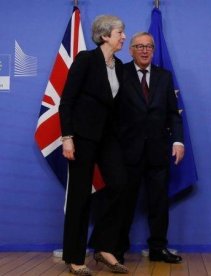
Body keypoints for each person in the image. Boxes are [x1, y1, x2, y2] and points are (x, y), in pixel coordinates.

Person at [59, 15, 129, 275]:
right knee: (79, 196)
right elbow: (66, 101)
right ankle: (74, 257)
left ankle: (103, 246)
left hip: (108, 137)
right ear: (105, 35)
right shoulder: (86, 60)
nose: (123, 36)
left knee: (121, 184)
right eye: (120, 32)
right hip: (82, 137)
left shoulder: (119, 66)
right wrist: (67, 137)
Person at [116, 32, 184, 264]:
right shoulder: (119, 73)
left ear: (153, 50)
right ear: (130, 50)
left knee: (158, 204)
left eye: (149, 47)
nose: (145, 50)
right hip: (127, 152)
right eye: (139, 46)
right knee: (124, 204)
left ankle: (158, 248)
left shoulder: (164, 77)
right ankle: (117, 249)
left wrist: (177, 141)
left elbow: (173, 115)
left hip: (157, 151)